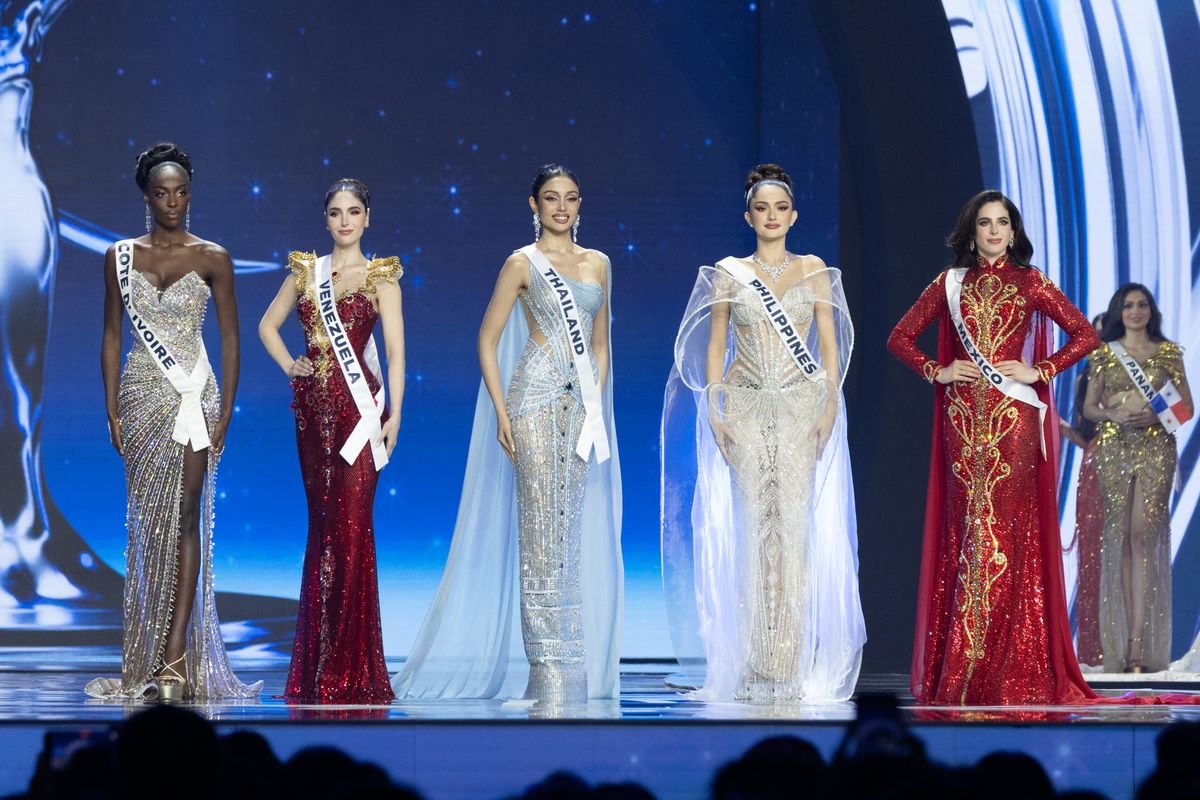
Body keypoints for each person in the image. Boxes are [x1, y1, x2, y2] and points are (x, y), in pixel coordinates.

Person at [393, 164, 622, 709]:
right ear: (534, 204)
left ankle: (571, 667)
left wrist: (595, 406)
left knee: (568, 537)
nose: (560, 207)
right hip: (534, 402)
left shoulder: (599, 264)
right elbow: (487, 339)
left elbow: (601, 342)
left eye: (569, 198)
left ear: (580, 203)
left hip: (578, 409)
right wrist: (501, 411)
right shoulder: (522, 263)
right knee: (541, 535)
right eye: (550, 198)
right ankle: (548, 672)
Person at [886, 189, 1101, 704]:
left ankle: (1009, 669)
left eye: (1003, 222)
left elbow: (1084, 334)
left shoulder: (1030, 282)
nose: (995, 231)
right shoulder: (949, 283)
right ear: (971, 231)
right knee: (970, 536)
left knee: (1005, 535)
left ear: (1014, 229)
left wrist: (1039, 370)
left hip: (1014, 424)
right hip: (964, 425)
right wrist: (937, 370)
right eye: (985, 223)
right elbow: (899, 337)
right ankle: (965, 669)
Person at [660, 164, 863, 702]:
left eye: (780, 208)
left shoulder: (815, 269)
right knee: (756, 531)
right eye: (761, 208)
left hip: (800, 409)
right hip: (746, 408)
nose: (771, 217)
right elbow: (714, 343)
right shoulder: (729, 271)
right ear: (747, 215)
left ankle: (787, 662)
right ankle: (755, 660)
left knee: (793, 532)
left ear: (793, 215)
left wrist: (828, 409)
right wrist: (715, 409)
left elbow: (828, 346)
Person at [90, 142, 260, 701]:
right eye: (162, 193)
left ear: (191, 194)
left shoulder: (213, 257)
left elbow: (232, 339)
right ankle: (148, 649)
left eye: (181, 192)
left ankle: (175, 658)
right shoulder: (119, 255)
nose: (173, 202)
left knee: (187, 518)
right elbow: (113, 334)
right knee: (148, 525)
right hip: (140, 396)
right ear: (146, 196)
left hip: (193, 397)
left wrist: (228, 407)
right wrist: (112, 407)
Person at [258, 178, 403, 703]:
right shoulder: (306, 273)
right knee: (323, 531)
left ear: (367, 218)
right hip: (312, 417)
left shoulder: (382, 277)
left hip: (361, 418)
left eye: (355, 211)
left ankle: (353, 667)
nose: (345, 220)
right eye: (337, 212)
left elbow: (396, 356)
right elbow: (266, 327)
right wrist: (288, 365)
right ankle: (320, 667)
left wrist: (396, 417)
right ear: (326, 219)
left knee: (352, 530)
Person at [1083, 284, 1192, 673]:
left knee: (1145, 537)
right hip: (1114, 450)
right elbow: (1089, 408)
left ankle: (1142, 645)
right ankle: (1122, 641)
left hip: (1155, 448)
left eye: (1142, 304)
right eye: (1128, 305)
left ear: (1151, 311)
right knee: (1121, 539)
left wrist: (1154, 416)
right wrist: (1112, 415)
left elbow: (1185, 408)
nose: (1135, 311)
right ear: (1119, 311)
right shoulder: (1104, 355)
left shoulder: (1168, 353)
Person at [1062, 313, 1105, 668]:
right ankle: (1094, 649)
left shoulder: (1146, 371)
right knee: (1093, 556)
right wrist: (1063, 429)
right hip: (1095, 470)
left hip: (1140, 467)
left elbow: (1177, 412)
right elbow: (1087, 437)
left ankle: (1132, 649)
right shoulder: (1084, 379)